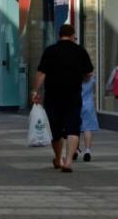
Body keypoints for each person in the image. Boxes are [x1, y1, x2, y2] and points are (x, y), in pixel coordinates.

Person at [31, 23, 93, 173]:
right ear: (72, 35)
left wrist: (35, 91)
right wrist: (82, 79)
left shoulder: (50, 51)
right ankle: (68, 161)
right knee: (73, 128)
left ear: (59, 35)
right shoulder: (80, 51)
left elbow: (41, 74)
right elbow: (89, 73)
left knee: (55, 130)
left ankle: (58, 158)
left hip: (53, 96)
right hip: (73, 95)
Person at [78, 73, 99, 162]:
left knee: (75, 129)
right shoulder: (92, 77)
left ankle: (75, 150)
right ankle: (87, 151)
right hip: (88, 105)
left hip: (77, 104)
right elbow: (95, 90)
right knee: (87, 129)